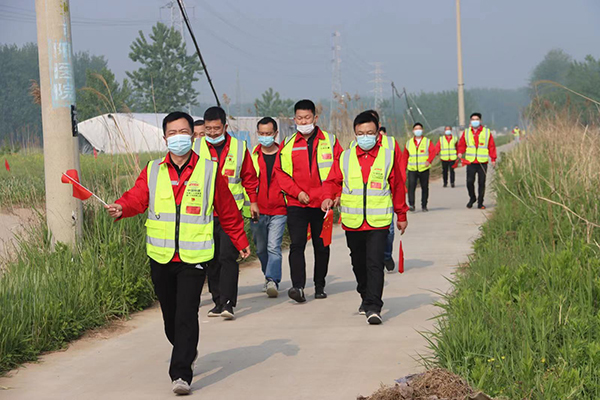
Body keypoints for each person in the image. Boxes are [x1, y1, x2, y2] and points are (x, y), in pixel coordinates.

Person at [105, 111, 250, 395]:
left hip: (193, 258)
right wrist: (122, 207)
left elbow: (227, 210)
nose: (178, 137)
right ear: (165, 138)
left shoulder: (209, 171)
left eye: (183, 132)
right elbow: (137, 197)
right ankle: (186, 348)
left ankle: (181, 373)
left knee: (186, 312)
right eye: (172, 133)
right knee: (170, 317)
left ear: (193, 136)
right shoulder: (153, 170)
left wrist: (239, 239)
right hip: (160, 256)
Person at [321, 111, 408, 324]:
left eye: (370, 132)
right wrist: (328, 197)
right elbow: (332, 181)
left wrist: (401, 214)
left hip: (379, 222)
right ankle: (365, 295)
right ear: (355, 134)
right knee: (358, 263)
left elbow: (397, 187)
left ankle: (374, 307)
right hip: (353, 222)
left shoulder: (388, 156)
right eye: (361, 133)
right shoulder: (345, 157)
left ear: (378, 133)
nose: (365, 137)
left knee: (375, 263)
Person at [193, 106, 259, 320]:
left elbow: (249, 177)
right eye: (208, 129)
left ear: (225, 127)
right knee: (211, 259)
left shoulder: (239, 148)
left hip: (231, 214)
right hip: (205, 214)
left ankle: (228, 303)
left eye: (216, 128)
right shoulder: (195, 147)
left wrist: (253, 202)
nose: (212, 133)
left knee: (227, 257)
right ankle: (217, 301)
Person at [275, 99, 343, 302]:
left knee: (321, 246)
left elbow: (338, 170)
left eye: (307, 117)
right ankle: (298, 287)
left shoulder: (330, 141)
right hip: (297, 203)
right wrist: (297, 193)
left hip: (323, 203)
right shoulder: (287, 144)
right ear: (294, 119)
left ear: (315, 118)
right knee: (297, 245)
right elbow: (281, 173)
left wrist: (332, 195)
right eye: (299, 118)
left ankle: (320, 285)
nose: (303, 121)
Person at [249, 117, 287, 298]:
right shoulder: (252, 156)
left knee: (273, 247)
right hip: (258, 209)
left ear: (275, 134)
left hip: (279, 209)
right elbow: (248, 181)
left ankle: (273, 280)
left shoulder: (285, 155)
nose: (265, 137)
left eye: (268, 133)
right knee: (261, 248)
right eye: (262, 133)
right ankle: (268, 275)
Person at [457, 112, 497, 209]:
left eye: (477, 119)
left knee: (481, 182)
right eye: (473, 119)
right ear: (470, 121)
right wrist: (460, 152)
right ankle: (472, 197)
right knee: (469, 182)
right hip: (471, 162)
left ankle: (480, 202)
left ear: (480, 121)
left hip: (482, 162)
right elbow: (462, 144)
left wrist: (493, 158)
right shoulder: (467, 132)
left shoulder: (486, 132)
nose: (475, 121)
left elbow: (491, 146)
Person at [403, 122, 436, 212]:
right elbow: (405, 156)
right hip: (412, 169)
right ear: (413, 131)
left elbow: (433, 152)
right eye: (416, 129)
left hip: (423, 168)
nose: (418, 130)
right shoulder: (409, 143)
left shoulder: (427, 142)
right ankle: (411, 204)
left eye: (419, 129)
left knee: (424, 187)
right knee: (411, 187)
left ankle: (424, 205)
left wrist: (429, 161)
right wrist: (403, 168)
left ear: (422, 130)